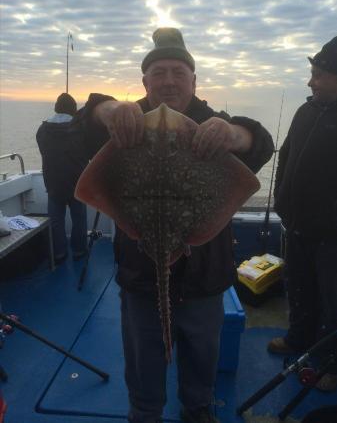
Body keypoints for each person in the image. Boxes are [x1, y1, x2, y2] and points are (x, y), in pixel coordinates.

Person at [74, 28, 274, 423]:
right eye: (159, 72)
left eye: (178, 72)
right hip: (140, 271)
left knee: (202, 351)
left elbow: (261, 142)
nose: (168, 81)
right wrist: (109, 110)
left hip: (204, 275)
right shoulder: (126, 123)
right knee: (142, 354)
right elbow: (84, 122)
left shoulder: (210, 124)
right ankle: (145, 411)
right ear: (144, 82)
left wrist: (233, 134)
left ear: (194, 81)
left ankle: (197, 409)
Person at [268, 36, 337, 392]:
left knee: (333, 301)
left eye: (318, 75)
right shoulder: (305, 110)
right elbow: (286, 155)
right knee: (299, 287)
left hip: (331, 235)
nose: (311, 82)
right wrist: (280, 198)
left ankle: (332, 365)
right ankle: (298, 339)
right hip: (296, 224)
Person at [36, 93, 88, 264]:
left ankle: (59, 253)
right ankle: (79, 251)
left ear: (56, 107)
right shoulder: (80, 128)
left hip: (53, 183)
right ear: (73, 109)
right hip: (77, 183)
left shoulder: (43, 130)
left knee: (56, 221)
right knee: (79, 218)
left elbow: (44, 151)